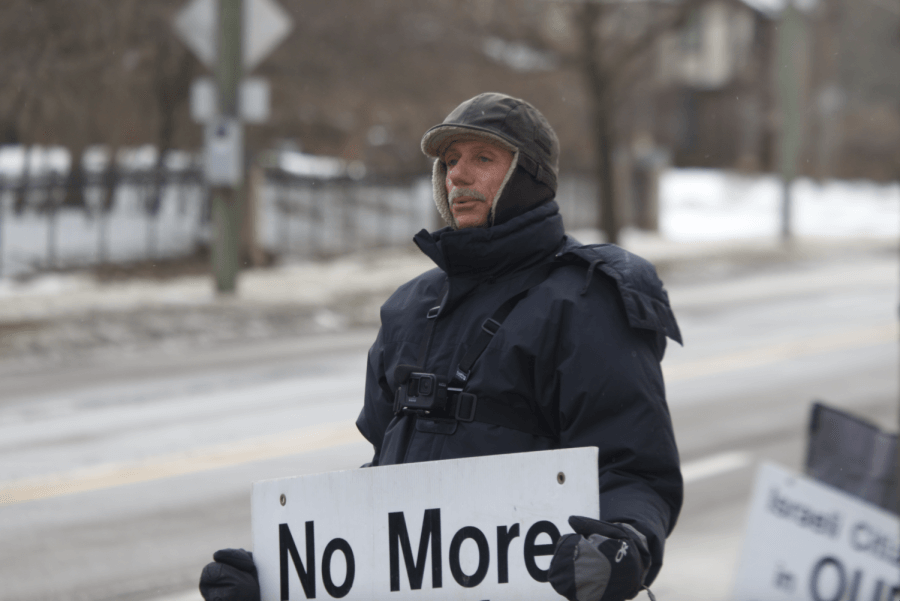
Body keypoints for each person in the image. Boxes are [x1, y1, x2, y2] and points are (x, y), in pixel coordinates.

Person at [199, 92, 683, 601]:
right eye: (450, 161)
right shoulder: (410, 307)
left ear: (530, 174)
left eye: (482, 158)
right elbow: (384, 486)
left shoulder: (585, 300)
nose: (458, 176)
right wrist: (283, 576)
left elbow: (634, 470)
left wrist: (624, 542)